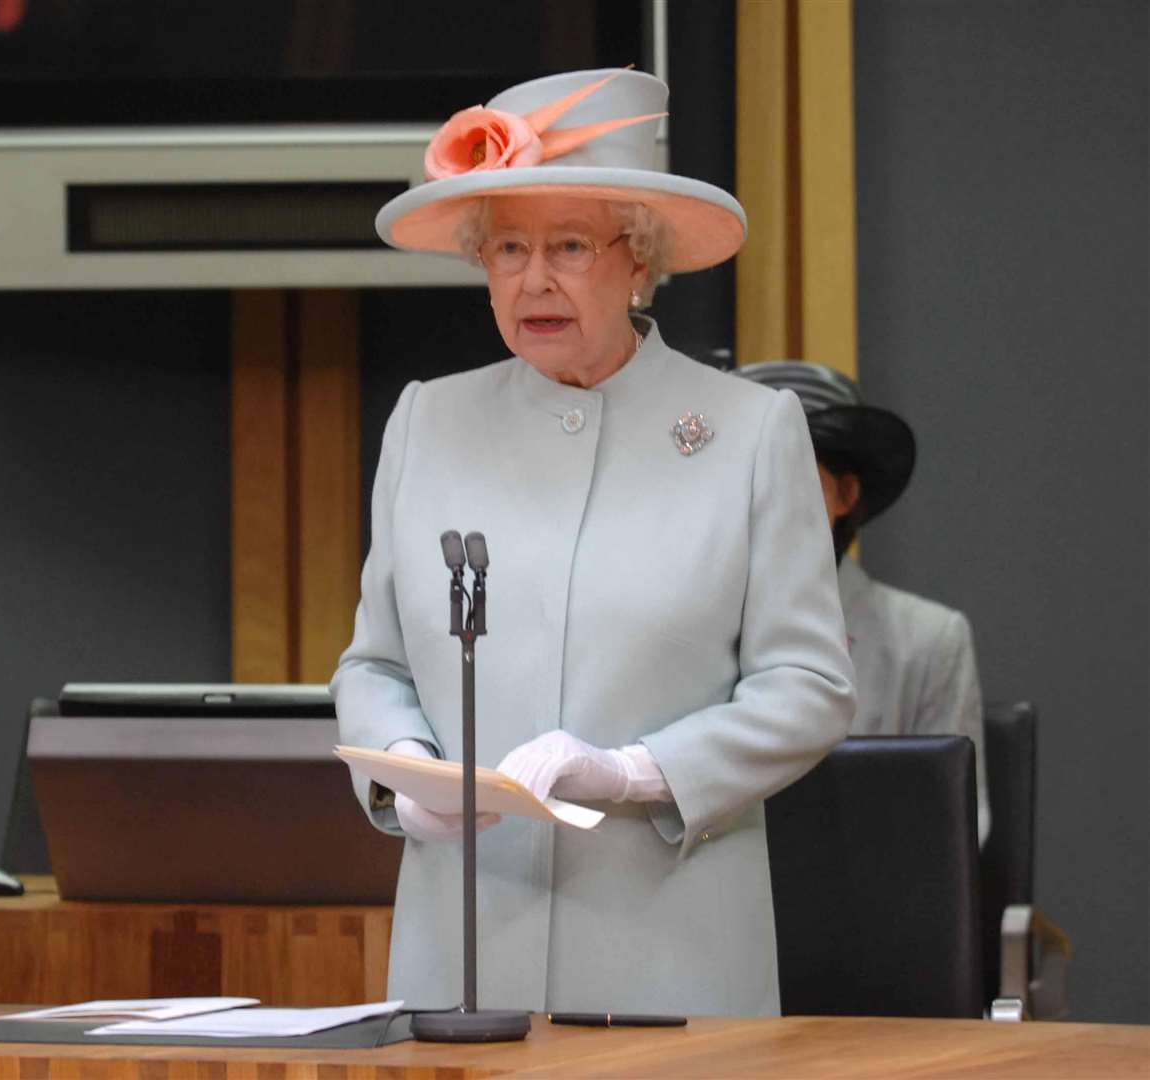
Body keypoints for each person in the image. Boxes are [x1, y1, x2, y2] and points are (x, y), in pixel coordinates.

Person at [334, 69, 854, 1017]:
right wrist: (404, 777)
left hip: (671, 959)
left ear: (639, 260)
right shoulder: (425, 421)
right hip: (463, 960)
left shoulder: (749, 431)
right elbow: (374, 666)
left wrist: (634, 772)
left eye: (570, 246)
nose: (534, 279)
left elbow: (810, 687)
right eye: (508, 248)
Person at [736, 360, 988, 843]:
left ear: (845, 494)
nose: (760, 498)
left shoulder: (926, 639)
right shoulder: (682, 627)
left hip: (870, 896)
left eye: (788, 474)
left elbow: (959, 823)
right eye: (742, 476)